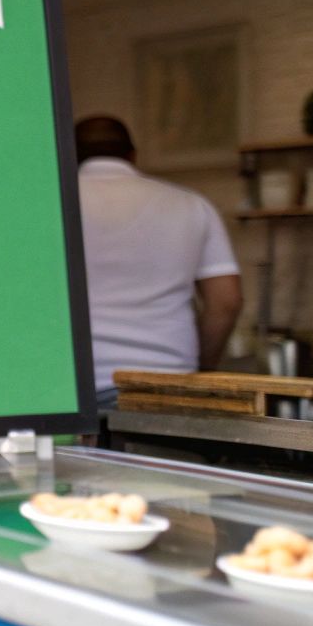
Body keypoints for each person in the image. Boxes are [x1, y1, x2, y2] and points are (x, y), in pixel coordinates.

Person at [76, 116, 244, 410]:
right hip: (170, 386)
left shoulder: (47, 207)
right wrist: (202, 368)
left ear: (67, 155)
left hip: (76, 390)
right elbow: (226, 302)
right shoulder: (191, 204)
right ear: (132, 155)